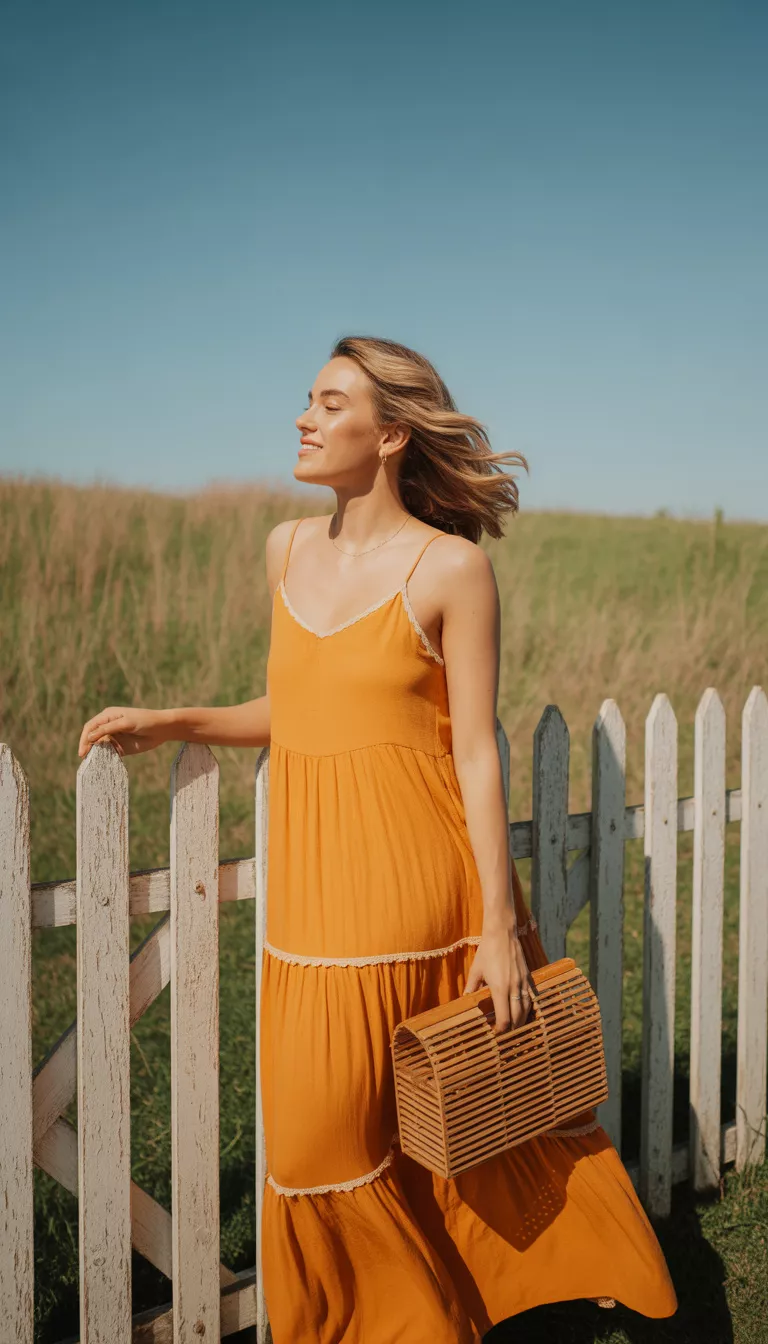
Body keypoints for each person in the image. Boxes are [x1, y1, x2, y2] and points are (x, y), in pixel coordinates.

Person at [79, 335, 677, 1342]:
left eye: (329, 403)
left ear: (391, 433)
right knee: (321, 1152)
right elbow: (303, 705)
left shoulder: (452, 569)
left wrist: (496, 924)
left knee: (446, 1133)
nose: (304, 420)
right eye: (306, 401)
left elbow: (476, 754)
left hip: (421, 900)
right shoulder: (285, 549)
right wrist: (177, 720)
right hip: (311, 908)